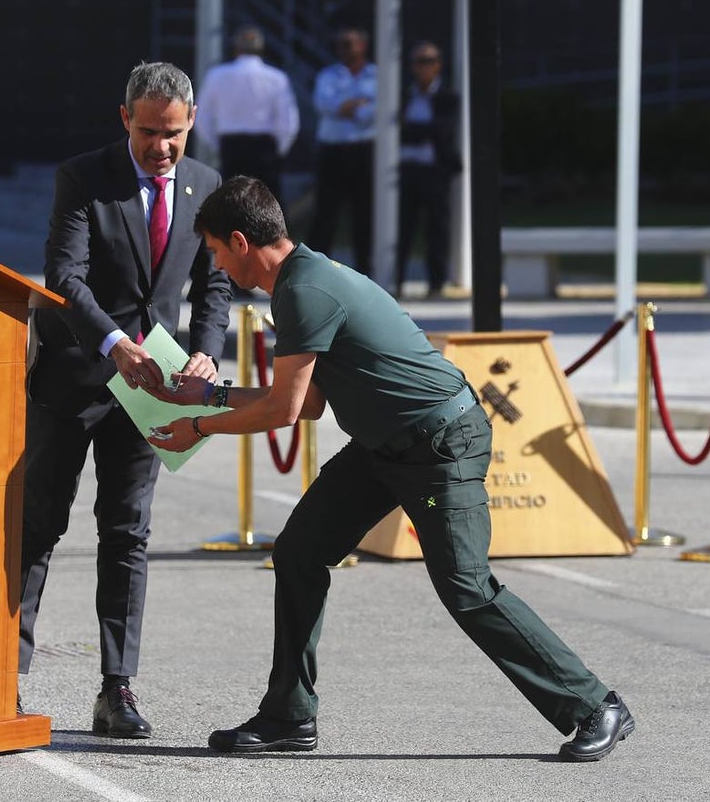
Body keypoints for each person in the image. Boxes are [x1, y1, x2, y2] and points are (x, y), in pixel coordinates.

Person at [147, 177, 635, 761]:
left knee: (465, 588)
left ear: (240, 240)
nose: (217, 266)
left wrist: (197, 425)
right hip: (385, 446)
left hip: (439, 444)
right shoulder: (303, 280)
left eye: (217, 253)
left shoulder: (304, 291)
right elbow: (307, 403)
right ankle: (287, 717)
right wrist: (201, 398)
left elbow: (282, 410)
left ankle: (593, 705)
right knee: (301, 550)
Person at [21, 61, 232, 740]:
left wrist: (205, 349)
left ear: (190, 123)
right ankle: (2, 675)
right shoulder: (84, 177)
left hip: (153, 390)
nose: (161, 147)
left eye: (172, 134)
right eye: (148, 132)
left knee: (127, 534)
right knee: (39, 525)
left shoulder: (206, 187)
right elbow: (64, 276)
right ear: (125, 119)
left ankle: (116, 688)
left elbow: (215, 285)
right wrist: (114, 343)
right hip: (77, 377)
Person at [197, 25, 300, 205]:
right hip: (264, 147)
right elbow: (288, 122)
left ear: (236, 48)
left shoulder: (217, 75)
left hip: (231, 145)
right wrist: (279, 149)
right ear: (261, 49)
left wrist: (217, 144)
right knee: (269, 205)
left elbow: (201, 117)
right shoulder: (276, 78)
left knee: (231, 205)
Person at [396, 40, 462, 298]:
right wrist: (422, 131)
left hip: (435, 171)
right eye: (419, 62)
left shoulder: (447, 96)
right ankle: (396, 280)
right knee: (404, 227)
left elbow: (443, 131)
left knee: (437, 227)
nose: (424, 67)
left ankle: (436, 282)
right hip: (406, 171)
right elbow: (396, 130)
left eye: (429, 61)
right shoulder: (404, 95)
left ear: (439, 66)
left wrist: (413, 130)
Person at [309, 27, 376, 278]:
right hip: (332, 151)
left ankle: (366, 271)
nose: (346, 48)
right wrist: (357, 105)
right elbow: (323, 104)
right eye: (342, 43)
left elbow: (375, 112)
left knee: (364, 213)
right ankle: (314, 270)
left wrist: (346, 107)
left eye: (351, 42)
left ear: (363, 45)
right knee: (325, 213)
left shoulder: (377, 75)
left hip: (363, 151)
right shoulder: (328, 74)